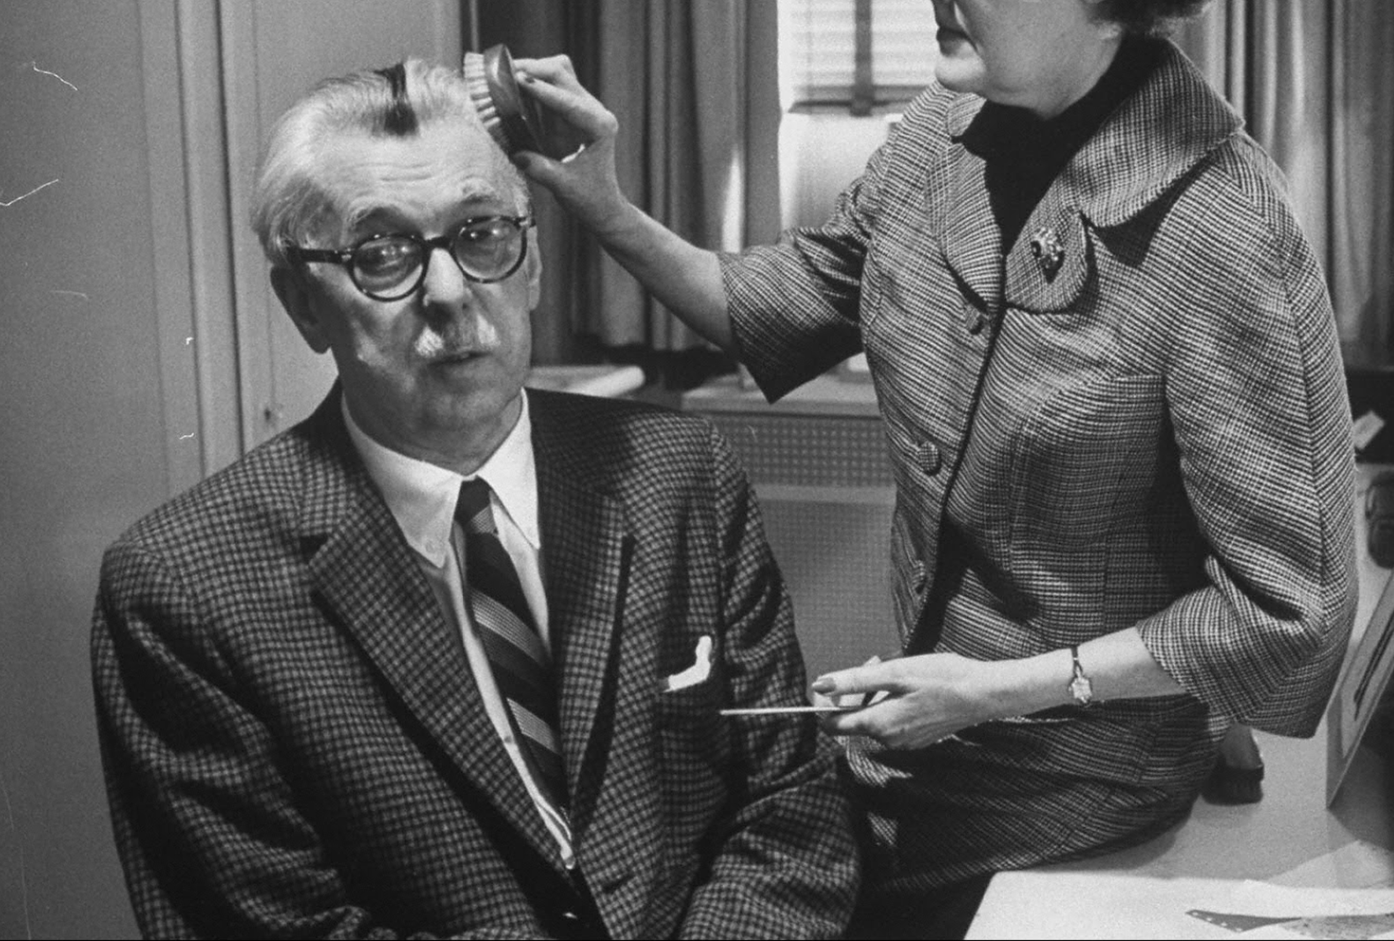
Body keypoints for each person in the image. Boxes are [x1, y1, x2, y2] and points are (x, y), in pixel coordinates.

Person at [514, 0, 1357, 934]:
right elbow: (775, 304)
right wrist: (599, 200)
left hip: (1080, 806)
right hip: (919, 760)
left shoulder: (1224, 226)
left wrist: (997, 690)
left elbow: (1289, 610)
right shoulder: (937, 136)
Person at [91, 62, 858, 938]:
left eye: (482, 234)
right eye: (382, 254)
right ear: (303, 305)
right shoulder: (183, 590)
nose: (451, 293)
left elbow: (790, 813)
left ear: (532, 266)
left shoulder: (677, 472)